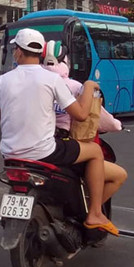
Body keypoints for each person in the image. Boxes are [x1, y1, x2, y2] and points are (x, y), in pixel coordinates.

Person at [0, 28, 118, 236]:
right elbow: (82, 115)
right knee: (95, 151)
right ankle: (94, 213)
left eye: (15, 50)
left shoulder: (2, 81)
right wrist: (89, 86)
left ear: (19, 52)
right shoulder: (52, 80)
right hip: (45, 152)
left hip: (10, 156)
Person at [41, 41, 128, 206]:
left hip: (34, 145)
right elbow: (95, 115)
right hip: (65, 146)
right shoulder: (76, 87)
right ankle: (90, 212)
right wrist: (117, 124)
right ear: (66, 61)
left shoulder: (35, 84)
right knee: (118, 173)